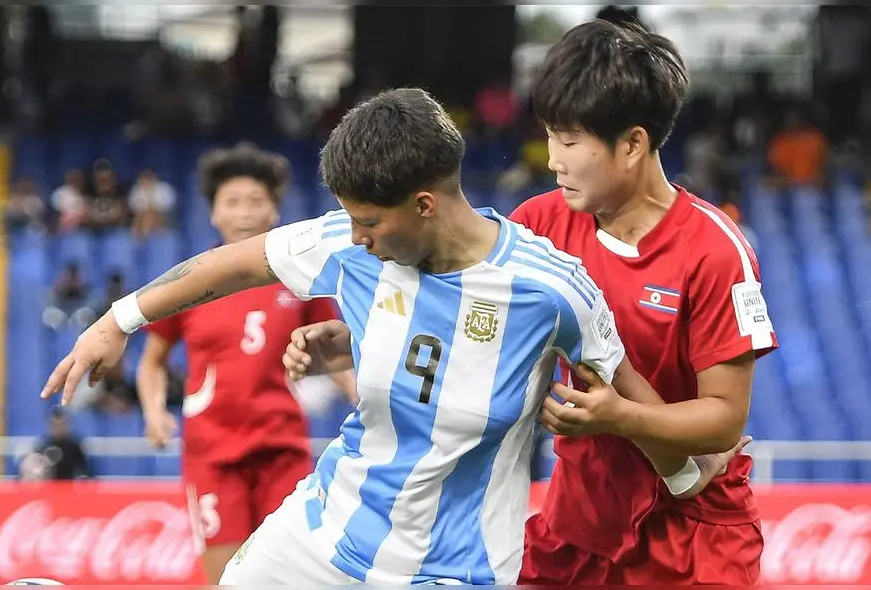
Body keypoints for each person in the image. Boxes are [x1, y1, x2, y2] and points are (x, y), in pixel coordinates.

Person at [42, 88, 725, 584]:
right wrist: (117, 321)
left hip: (457, 571)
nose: (358, 240)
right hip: (324, 536)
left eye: (370, 223)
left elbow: (643, 414)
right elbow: (228, 266)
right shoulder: (346, 242)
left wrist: (683, 471)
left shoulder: (552, 289)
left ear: (424, 205)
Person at [509, 20, 775, 585]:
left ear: (632, 143)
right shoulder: (537, 224)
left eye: (570, 139)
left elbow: (724, 420)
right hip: (576, 527)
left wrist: (620, 417)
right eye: (550, 135)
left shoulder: (716, 251)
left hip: (693, 537)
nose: (552, 158)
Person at [135, 143, 356, 583]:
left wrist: (362, 400)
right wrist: (155, 412)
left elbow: (335, 355)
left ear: (275, 211)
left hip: (283, 450)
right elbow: (152, 361)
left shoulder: (300, 280)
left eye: (257, 201)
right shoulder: (188, 284)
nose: (245, 213)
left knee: (290, 577)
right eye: (232, 202)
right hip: (212, 455)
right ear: (213, 214)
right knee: (225, 581)